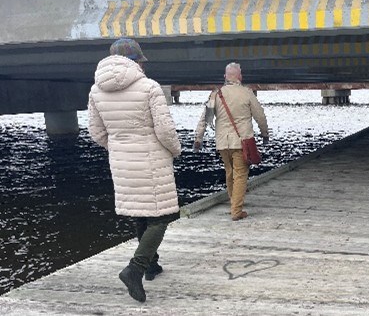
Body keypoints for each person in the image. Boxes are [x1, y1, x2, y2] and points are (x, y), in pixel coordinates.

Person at [88, 38, 181, 302]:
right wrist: (175, 150)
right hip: (151, 159)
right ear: (135, 61)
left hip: (121, 161)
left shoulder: (96, 91)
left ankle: (152, 265)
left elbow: (96, 132)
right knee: (161, 216)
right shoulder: (149, 87)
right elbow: (164, 129)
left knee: (141, 213)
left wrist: (118, 145)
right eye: (141, 61)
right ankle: (135, 269)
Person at [194, 62, 269, 221]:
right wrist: (264, 134)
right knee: (240, 175)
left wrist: (198, 139)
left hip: (223, 143)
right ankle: (236, 210)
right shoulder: (247, 93)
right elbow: (260, 116)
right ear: (240, 77)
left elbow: (205, 119)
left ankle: (233, 202)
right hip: (241, 142)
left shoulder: (216, 94)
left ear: (225, 77)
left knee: (230, 172)